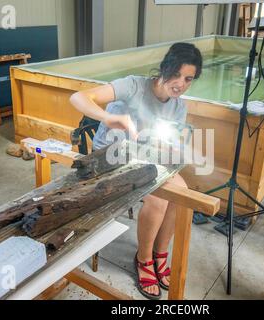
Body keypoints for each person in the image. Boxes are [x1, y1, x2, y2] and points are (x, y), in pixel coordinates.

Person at [69, 42, 203, 300]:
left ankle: (160, 253)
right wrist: (108, 118)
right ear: (165, 68)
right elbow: (78, 97)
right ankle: (144, 260)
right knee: (159, 196)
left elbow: (169, 142)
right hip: (111, 157)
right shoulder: (133, 86)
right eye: (176, 74)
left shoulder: (178, 107)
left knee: (183, 193)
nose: (181, 84)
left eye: (188, 79)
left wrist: (173, 149)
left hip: (145, 157)